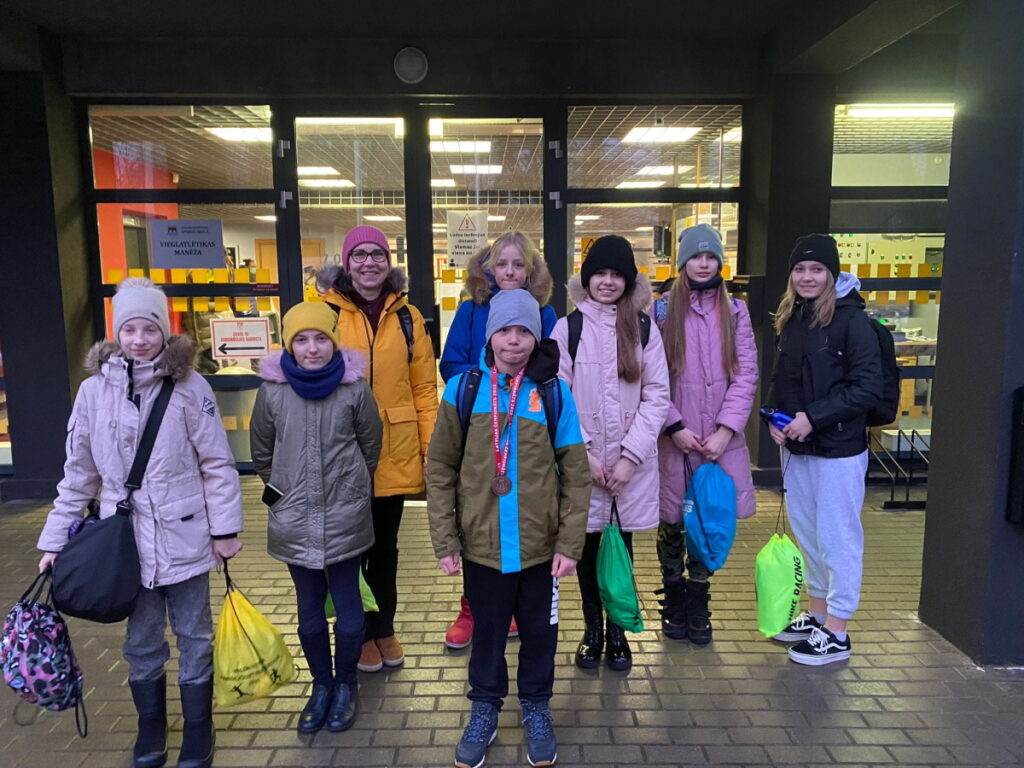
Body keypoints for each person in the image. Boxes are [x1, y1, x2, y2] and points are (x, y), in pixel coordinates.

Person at [37, 277, 244, 768]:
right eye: (129, 329)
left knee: (194, 634)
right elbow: (79, 475)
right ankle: (151, 726)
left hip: (186, 534)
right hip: (124, 546)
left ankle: (198, 726)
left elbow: (217, 463)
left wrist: (225, 531)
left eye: (149, 328)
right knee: (142, 641)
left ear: (163, 330)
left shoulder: (190, 387)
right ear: (116, 332)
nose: (139, 339)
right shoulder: (92, 393)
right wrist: (53, 541)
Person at [427, 289, 591, 768]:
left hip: (541, 549)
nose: (514, 341)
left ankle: (536, 706)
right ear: (489, 336)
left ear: (536, 337)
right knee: (488, 634)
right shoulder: (463, 390)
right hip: (482, 547)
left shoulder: (553, 392)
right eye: (504, 330)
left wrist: (570, 544)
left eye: (523, 331)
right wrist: (445, 538)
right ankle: (485, 707)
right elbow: (440, 467)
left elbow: (576, 474)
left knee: (540, 634)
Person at [250, 301, 382, 732]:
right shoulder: (272, 392)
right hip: (293, 517)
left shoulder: (354, 389)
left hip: (346, 515)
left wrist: (353, 490)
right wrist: (282, 495)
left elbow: (370, 446)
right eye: (302, 340)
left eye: (321, 338)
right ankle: (321, 685)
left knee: (348, 607)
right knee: (308, 611)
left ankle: (346, 685)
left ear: (334, 341)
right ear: (289, 344)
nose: (312, 348)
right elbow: (262, 455)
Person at [318, 225, 437, 674]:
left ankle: (383, 626)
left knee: (385, 548)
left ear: (389, 263)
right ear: (346, 263)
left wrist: (429, 447)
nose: (369, 262)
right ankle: (358, 631)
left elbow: (424, 388)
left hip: (394, 447)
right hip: (341, 451)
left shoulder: (408, 317)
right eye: (360, 255)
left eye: (378, 255)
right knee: (348, 549)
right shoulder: (324, 313)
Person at [550, 235, 670, 672]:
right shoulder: (568, 329)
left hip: (628, 466)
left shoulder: (643, 328)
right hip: (583, 464)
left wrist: (630, 457)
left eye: (616, 274)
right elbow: (557, 395)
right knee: (584, 546)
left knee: (622, 545)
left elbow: (657, 394)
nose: (607, 281)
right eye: (599, 273)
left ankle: (618, 630)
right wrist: (582, 454)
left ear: (628, 281)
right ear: (587, 278)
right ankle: (592, 630)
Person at [439, 230, 558, 648]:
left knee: (521, 516)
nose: (509, 272)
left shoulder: (545, 313)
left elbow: (554, 366)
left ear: (531, 270)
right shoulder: (471, 310)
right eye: (501, 264)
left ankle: (513, 607)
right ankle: (471, 607)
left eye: (518, 264)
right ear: (488, 269)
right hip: (481, 422)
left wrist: (519, 386)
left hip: (528, 423)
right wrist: (489, 384)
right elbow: (450, 362)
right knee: (479, 518)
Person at [768, 234, 883, 665]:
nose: (807, 277)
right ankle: (817, 615)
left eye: (817, 269)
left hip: (839, 450)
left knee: (838, 539)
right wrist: (774, 419)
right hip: (798, 448)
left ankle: (837, 630)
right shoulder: (793, 318)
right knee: (810, 535)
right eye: (800, 269)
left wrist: (813, 418)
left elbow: (867, 387)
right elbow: (783, 378)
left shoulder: (853, 322)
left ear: (832, 274)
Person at [653, 224, 758, 646]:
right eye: (695, 256)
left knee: (708, 519)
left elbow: (745, 374)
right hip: (674, 441)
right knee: (672, 523)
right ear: (683, 262)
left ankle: (699, 600)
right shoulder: (661, 311)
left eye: (710, 256)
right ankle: (673, 597)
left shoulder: (735, 312)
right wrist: (674, 425)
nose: (703, 263)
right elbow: (651, 376)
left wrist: (726, 430)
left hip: (718, 441)